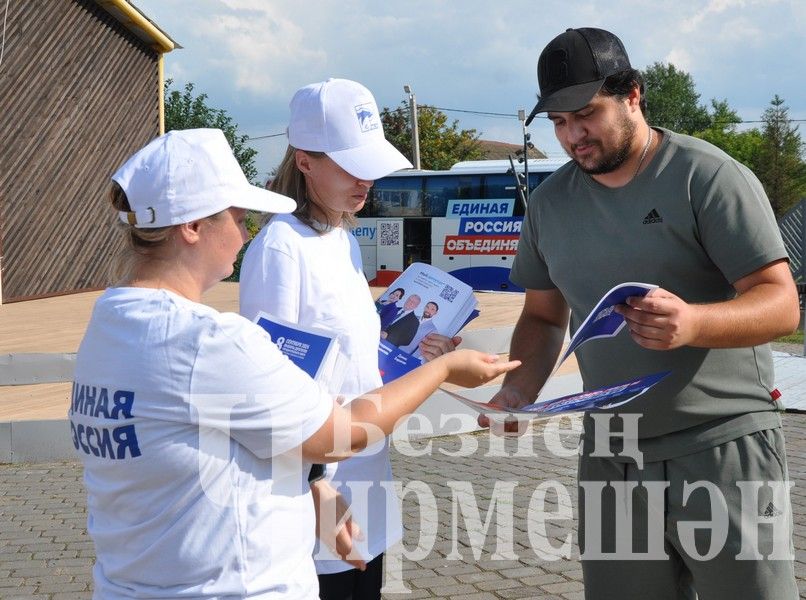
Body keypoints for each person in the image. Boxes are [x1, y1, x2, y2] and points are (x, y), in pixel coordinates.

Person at [69, 128, 518, 600]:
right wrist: (444, 370)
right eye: (238, 217)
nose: (245, 233)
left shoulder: (110, 327)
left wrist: (317, 486)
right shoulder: (211, 342)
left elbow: (268, 430)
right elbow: (342, 433)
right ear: (193, 227)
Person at [492, 27, 801, 600]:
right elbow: (540, 317)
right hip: (612, 451)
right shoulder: (550, 205)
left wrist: (694, 323)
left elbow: (781, 302)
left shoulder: (706, 176)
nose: (573, 135)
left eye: (586, 114)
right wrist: (519, 389)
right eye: (558, 123)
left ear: (633, 94)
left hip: (720, 444)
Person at [239, 79, 460, 600]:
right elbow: (271, 388)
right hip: (318, 500)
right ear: (305, 162)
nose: (366, 180)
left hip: (364, 480)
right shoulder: (280, 248)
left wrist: (419, 355)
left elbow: (355, 357)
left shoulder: (341, 239)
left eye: (371, 163)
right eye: (349, 164)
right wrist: (317, 489)